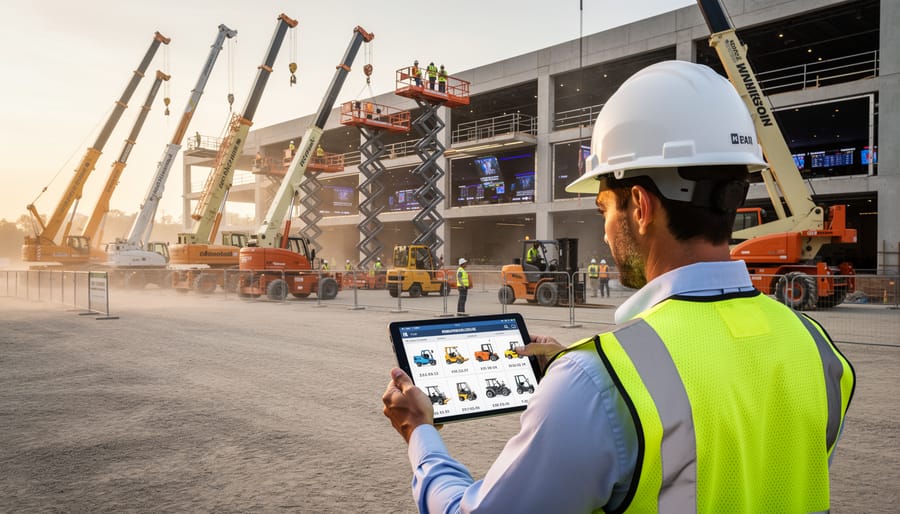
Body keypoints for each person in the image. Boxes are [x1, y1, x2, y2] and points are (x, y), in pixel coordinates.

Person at [382, 60, 855, 512]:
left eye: (604, 209)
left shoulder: (596, 382)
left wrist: (421, 432)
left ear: (641, 207)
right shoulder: (817, 349)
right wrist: (583, 371)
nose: (606, 233)